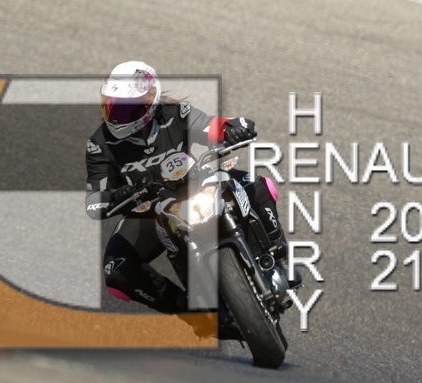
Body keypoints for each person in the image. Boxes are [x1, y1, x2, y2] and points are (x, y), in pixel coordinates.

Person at [85, 61, 298, 316]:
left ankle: (282, 257)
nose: (115, 116)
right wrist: (119, 195)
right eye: (110, 106)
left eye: (125, 109)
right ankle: (187, 310)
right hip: (148, 208)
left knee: (257, 184)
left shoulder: (177, 113)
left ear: (148, 105)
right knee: (116, 271)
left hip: (196, 182)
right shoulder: (99, 143)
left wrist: (233, 128)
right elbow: (94, 200)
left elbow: (212, 125)